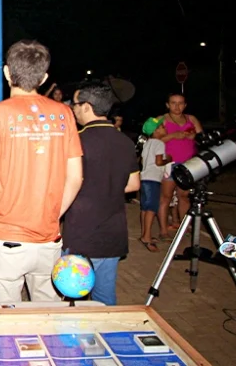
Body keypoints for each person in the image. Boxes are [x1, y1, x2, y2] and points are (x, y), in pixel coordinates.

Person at [0, 40, 83, 302]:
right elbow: (76, 177)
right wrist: (52, 214)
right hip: (48, 238)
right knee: (48, 316)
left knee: (3, 320)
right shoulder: (64, 113)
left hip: (4, 236)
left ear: (7, 72)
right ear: (44, 78)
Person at [63, 83, 140, 305]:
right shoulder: (124, 141)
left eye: (75, 104)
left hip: (81, 232)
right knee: (105, 299)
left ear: (87, 107)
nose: (73, 109)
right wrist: (107, 186)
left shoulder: (77, 140)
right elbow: (134, 183)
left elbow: (68, 182)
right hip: (113, 232)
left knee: (72, 297)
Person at [157, 93, 202, 241]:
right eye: (173, 103)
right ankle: (163, 231)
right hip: (169, 163)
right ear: (167, 104)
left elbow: (201, 136)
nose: (177, 106)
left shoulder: (191, 119)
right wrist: (172, 136)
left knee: (184, 196)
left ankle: (184, 227)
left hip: (188, 164)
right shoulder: (161, 120)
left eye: (180, 103)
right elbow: (153, 140)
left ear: (185, 105)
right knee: (166, 197)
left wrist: (193, 136)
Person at [138, 117, 171, 252]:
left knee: (144, 208)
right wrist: (168, 159)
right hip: (153, 179)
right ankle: (147, 237)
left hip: (144, 177)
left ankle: (144, 234)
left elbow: (142, 160)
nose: (164, 128)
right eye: (162, 127)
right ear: (156, 131)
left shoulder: (147, 143)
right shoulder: (159, 143)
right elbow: (158, 162)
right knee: (151, 208)